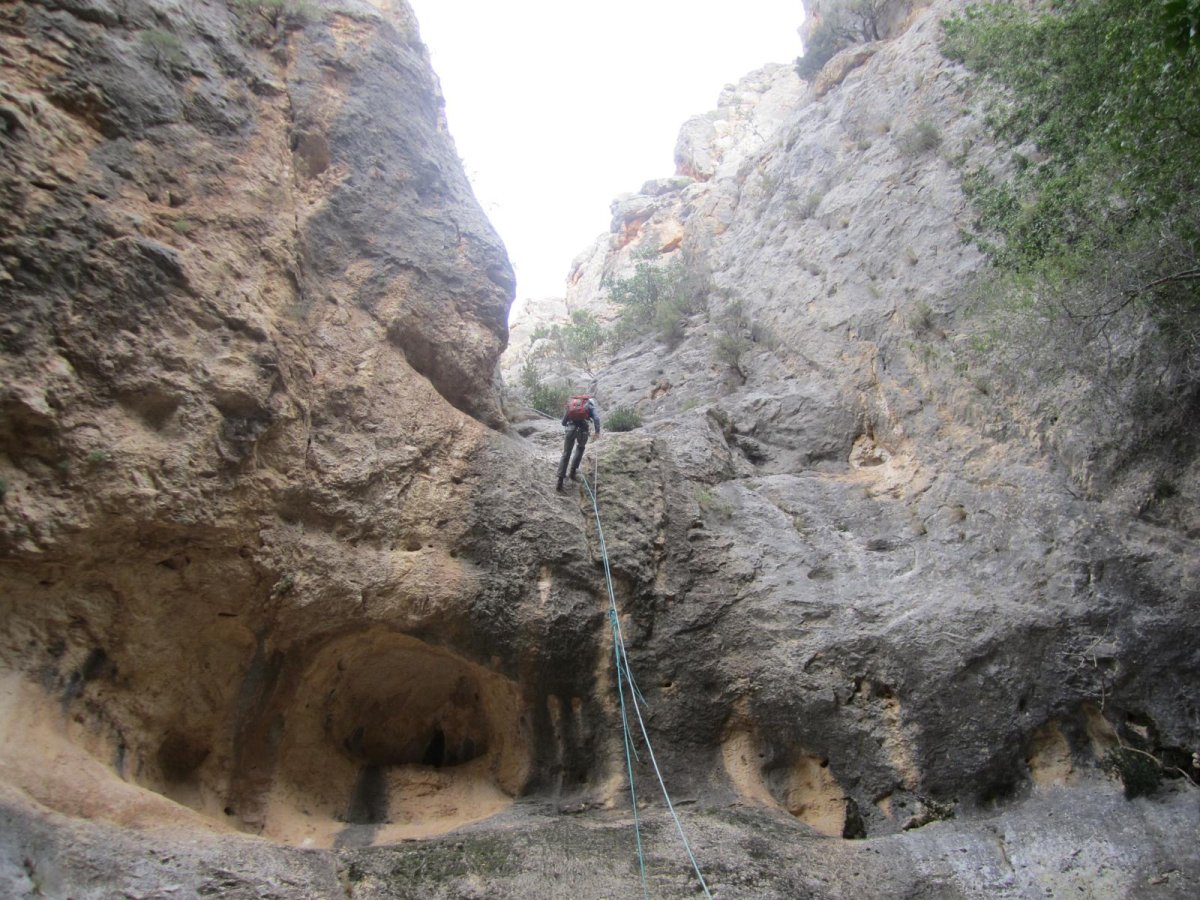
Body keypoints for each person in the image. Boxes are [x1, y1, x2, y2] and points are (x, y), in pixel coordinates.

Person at [557, 395, 601, 492]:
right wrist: (597, 432)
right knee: (580, 448)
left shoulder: (572, 404)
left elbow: (563, 422)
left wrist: (569, 423)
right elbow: (596, 418)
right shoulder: (590, 406)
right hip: (583, 431)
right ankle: (572, 472)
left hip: (570, 430)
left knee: (566, 453)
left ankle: (560, 481)